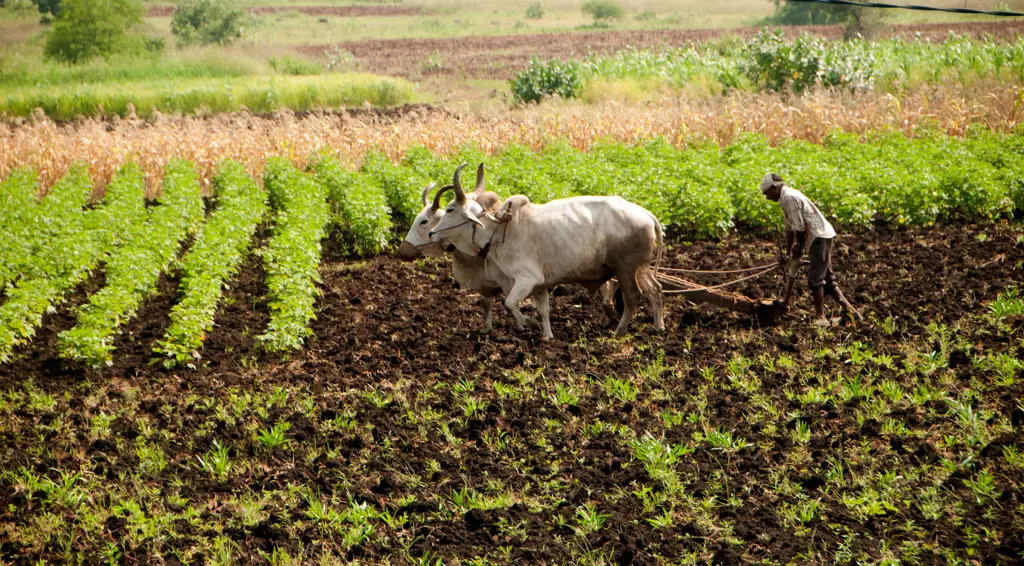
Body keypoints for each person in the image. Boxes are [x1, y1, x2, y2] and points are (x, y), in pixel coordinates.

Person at [760, 173, 862, 326]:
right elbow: (790, 229)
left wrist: (799, 245)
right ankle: (852, 312)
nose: (767, 198)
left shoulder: (789, 197)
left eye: (767, 193)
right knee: (828, 280)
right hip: (821, 236)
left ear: (775, 188)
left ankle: (820, 318)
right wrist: (788, 253)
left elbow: (799, 226)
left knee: (815, 279)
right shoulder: (786, 198)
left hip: (819, 237)